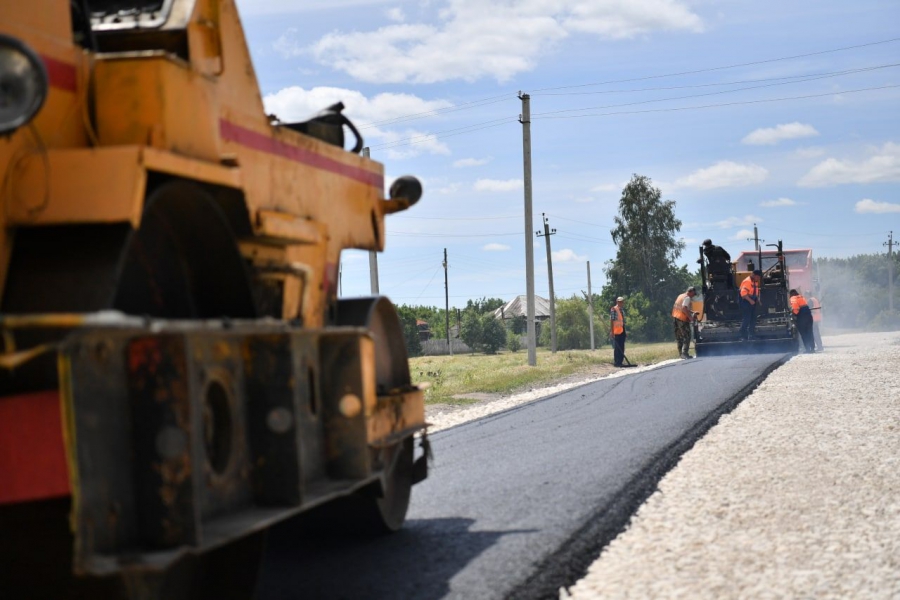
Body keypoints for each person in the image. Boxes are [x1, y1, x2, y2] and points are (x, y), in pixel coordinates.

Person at [672, 286, 698, 359]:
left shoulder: (681, 296)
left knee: (679, 337)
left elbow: (682, 307)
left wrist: (692, 312)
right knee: (687, 336)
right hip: (682, 319)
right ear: (690, 291)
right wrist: (691, 318)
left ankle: (681, 354)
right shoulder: (687, 298)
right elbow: (683, 308)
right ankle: (684, 353)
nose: (694, 295)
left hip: (675, 317)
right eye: (694, 293)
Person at [739, 270, 762, 341]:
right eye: (757, 277)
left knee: (753, 319)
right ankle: (743, 336)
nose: (758, 279)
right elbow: (743, 294)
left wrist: (758, 300)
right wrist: (750, 300)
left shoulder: (755, 282)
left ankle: (751, 335)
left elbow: (755, 292)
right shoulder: (747, 281)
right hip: (746, 302)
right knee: (747, 319)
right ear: (754, 275)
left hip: (752, 301)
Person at [610, 296, 626, 367]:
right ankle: (617, 362)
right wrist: (612, 331)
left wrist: (624, 331)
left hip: (622, 330)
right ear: (617, 302)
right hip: (616, 331)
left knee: (622, 347)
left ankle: (620, 361)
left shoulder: (621, 310)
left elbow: (622, 321)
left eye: (622, 302)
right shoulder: (614, 309)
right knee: (617, 347)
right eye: (619, 302)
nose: (620, 303)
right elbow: (612, 321)